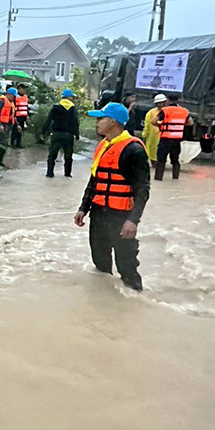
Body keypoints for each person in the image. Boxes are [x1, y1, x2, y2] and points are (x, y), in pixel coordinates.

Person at [74, 103, 150, 292]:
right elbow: (95, 180)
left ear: (113, 122)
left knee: (127, 266)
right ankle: (103, 304)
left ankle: (133, 303)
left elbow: (142, 190)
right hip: (99, 214)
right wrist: (83, 208)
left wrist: (133, 221)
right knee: (100, 263)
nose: (97, 122)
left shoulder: (134, 150)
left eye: (101, 118)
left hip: (121, 216)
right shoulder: (104, 146)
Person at [152, 94, 193, 180]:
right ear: (178, 100)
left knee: (161, 160)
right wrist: (180, 124)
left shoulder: (165, 110)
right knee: (175, 160)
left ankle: (158, 178)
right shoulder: (184, 111)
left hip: (165, 139)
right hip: (177, 140)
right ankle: (175, 177)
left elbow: (153, 121)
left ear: (168, 100)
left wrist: (161, 126)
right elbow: (190, 123)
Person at [43, 88, 79, 178]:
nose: (72, 99)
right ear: (68, 97)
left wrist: (44, 131)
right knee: (68, 155)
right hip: (68, 135)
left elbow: (49, 120)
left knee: (52, 154)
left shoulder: (56, 107)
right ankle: (67, 174)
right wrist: (77, 134)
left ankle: (50, 173)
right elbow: (75, 122)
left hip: (56, 134)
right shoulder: (72, 109)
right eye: (72, 97)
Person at [0, 87, 17, 166]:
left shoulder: (10, 103)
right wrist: (0, 125)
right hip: (0, 125)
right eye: (13, 96)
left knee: (4, 144)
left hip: (6, 125)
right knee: (1, 143)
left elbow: (12, 116)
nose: (14, 98)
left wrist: (17, 125)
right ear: (8, 95)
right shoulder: (1, 101)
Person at [142, 94, 167, 167]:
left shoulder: (167, 112)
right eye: (158, 103)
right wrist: (145, 134)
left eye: (161, 102)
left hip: (164, 136)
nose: (160, 104)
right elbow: (147, 124)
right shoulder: (151, 112)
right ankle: (155, 164)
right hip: (152, 136)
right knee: (152, 150)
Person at [11, 83, 30, 148]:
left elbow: (26, 106)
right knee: (15, 130)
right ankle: (12, 143)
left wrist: (27, 115)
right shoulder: (15, 97)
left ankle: (18, 143)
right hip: (16, 116)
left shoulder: (25, 97)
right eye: (22, 89)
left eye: (24, 89)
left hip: (23, 116)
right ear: (19, 89)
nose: (24, 90)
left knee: (21, 131)